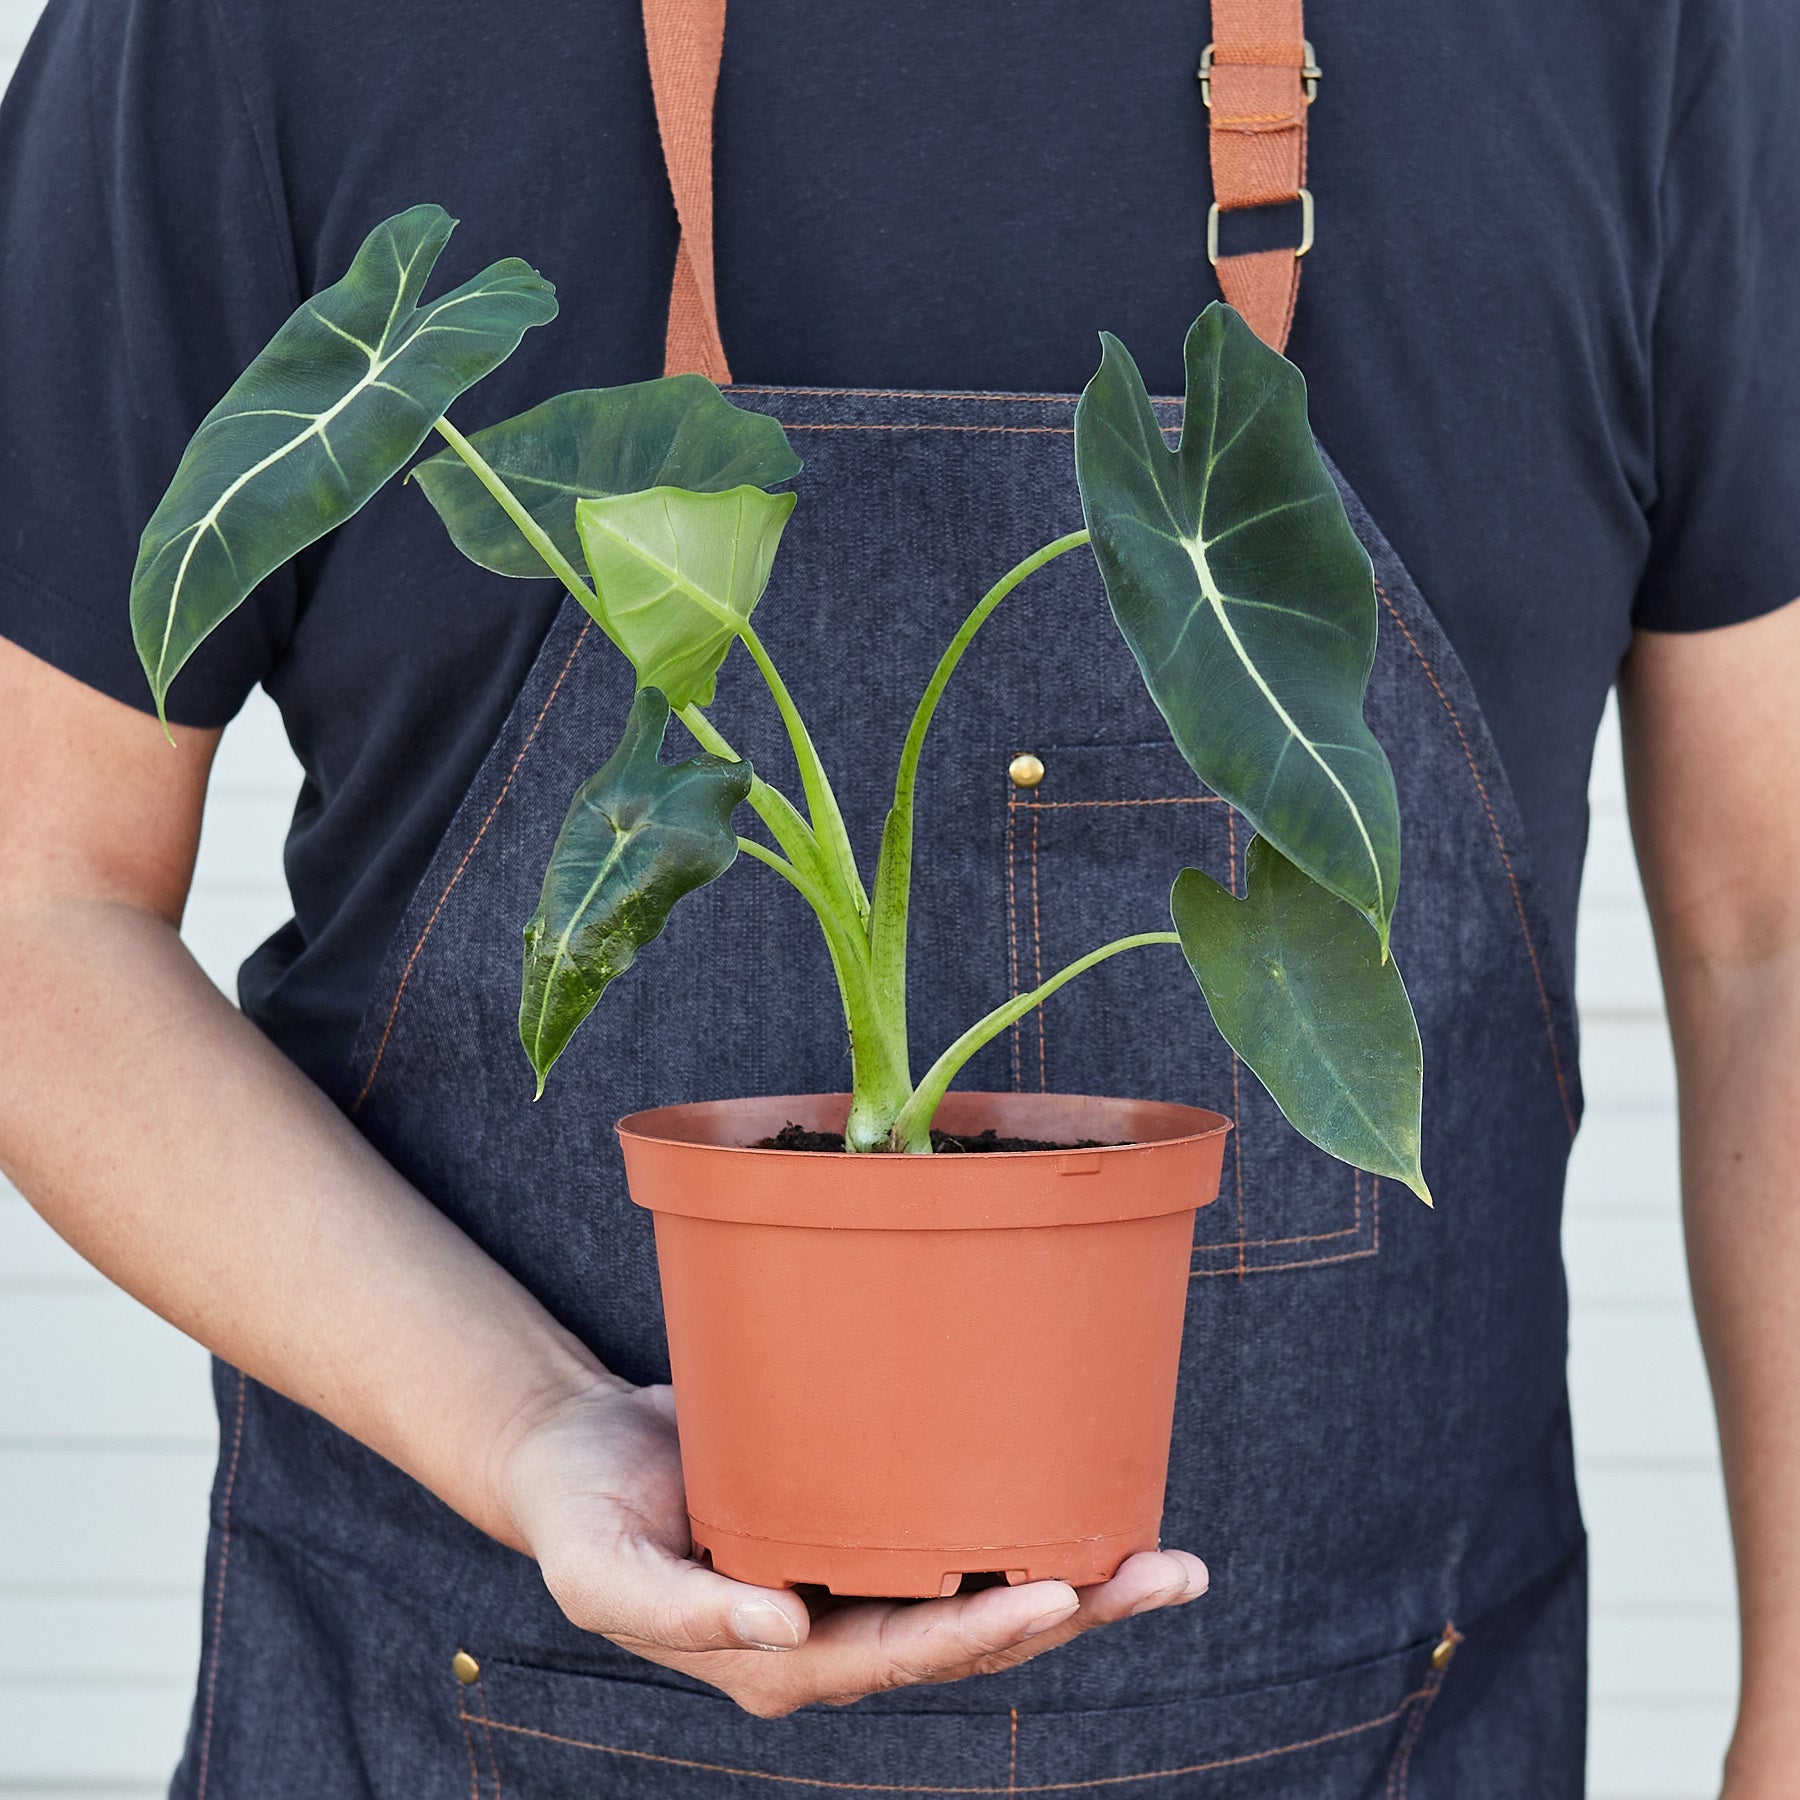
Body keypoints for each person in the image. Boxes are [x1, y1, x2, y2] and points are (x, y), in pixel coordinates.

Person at [1, 0, 1797, 1792]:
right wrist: (526, 1418)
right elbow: (34, 898)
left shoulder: (1653, 34)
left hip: (1377, 1721)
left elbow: (1773, 929)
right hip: (473, 1713)